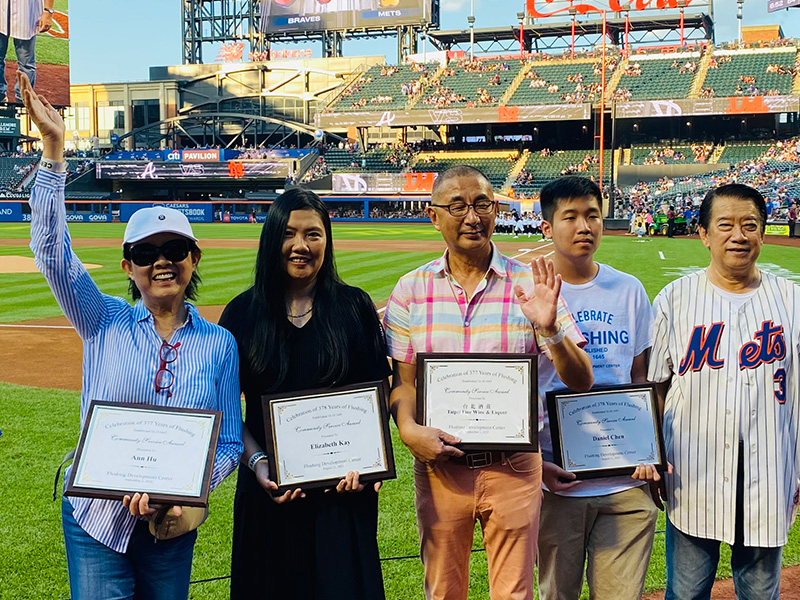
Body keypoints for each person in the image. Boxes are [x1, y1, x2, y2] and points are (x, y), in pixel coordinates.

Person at [21, 72, 243, 600]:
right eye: (146, 253)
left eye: (174, 250)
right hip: (95, 519)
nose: (161, 262)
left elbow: (230, 443)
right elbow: (53, 253)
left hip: (172, 524)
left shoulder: (219, 344)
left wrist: (189, 497)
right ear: (128, 265)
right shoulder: (102, 319)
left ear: (194, 259)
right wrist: (54, 152)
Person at [383, 165, 594, 600]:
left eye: (482, 204)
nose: (472, 217)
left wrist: (551, 329)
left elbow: (581, 380)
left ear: (496, 209)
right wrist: (407, 430)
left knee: (514, 593)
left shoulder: (530, 283)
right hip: (440, 468)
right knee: (443, 591)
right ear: (433, 215)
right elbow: (403, 385)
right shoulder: (410, 290)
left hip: (514, 467)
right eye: (456, 206)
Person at [219, 188, 390, 600]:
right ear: (271, 239)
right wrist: (259, 463)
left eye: (313, 234)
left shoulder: (354, 306)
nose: (301, 246)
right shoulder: (241, 314)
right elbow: (226, 412)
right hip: (269, 494)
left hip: (341, 498)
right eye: (289, 233)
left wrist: (367, 463)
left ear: (327, 241)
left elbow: (378, 392)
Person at [649, 183, 800, 600]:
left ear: (764, 233)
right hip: (692, 473)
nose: (739, 235)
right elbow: (656, 385)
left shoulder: (792, 301)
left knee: (759, 594)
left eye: (750, 225)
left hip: (769, 472)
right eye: (726, 225)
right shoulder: (675, 300)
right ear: (704, 234)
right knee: (686, 593)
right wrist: (656, 454)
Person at [534, 177, 659, 600]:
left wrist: (650, 450)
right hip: (559, 480)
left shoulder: (629, 290)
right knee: (556, 594)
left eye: (592, 215)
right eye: (570, 217)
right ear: (547, 227)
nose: (584, 226)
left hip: (625, 481)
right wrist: (535, 463)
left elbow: (640, 378)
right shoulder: (529, 295)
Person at [0, 0, 53, 103]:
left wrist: (48, 11)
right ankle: (0, 96)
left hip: (25, 14)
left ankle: (22, 101)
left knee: (26, 64)